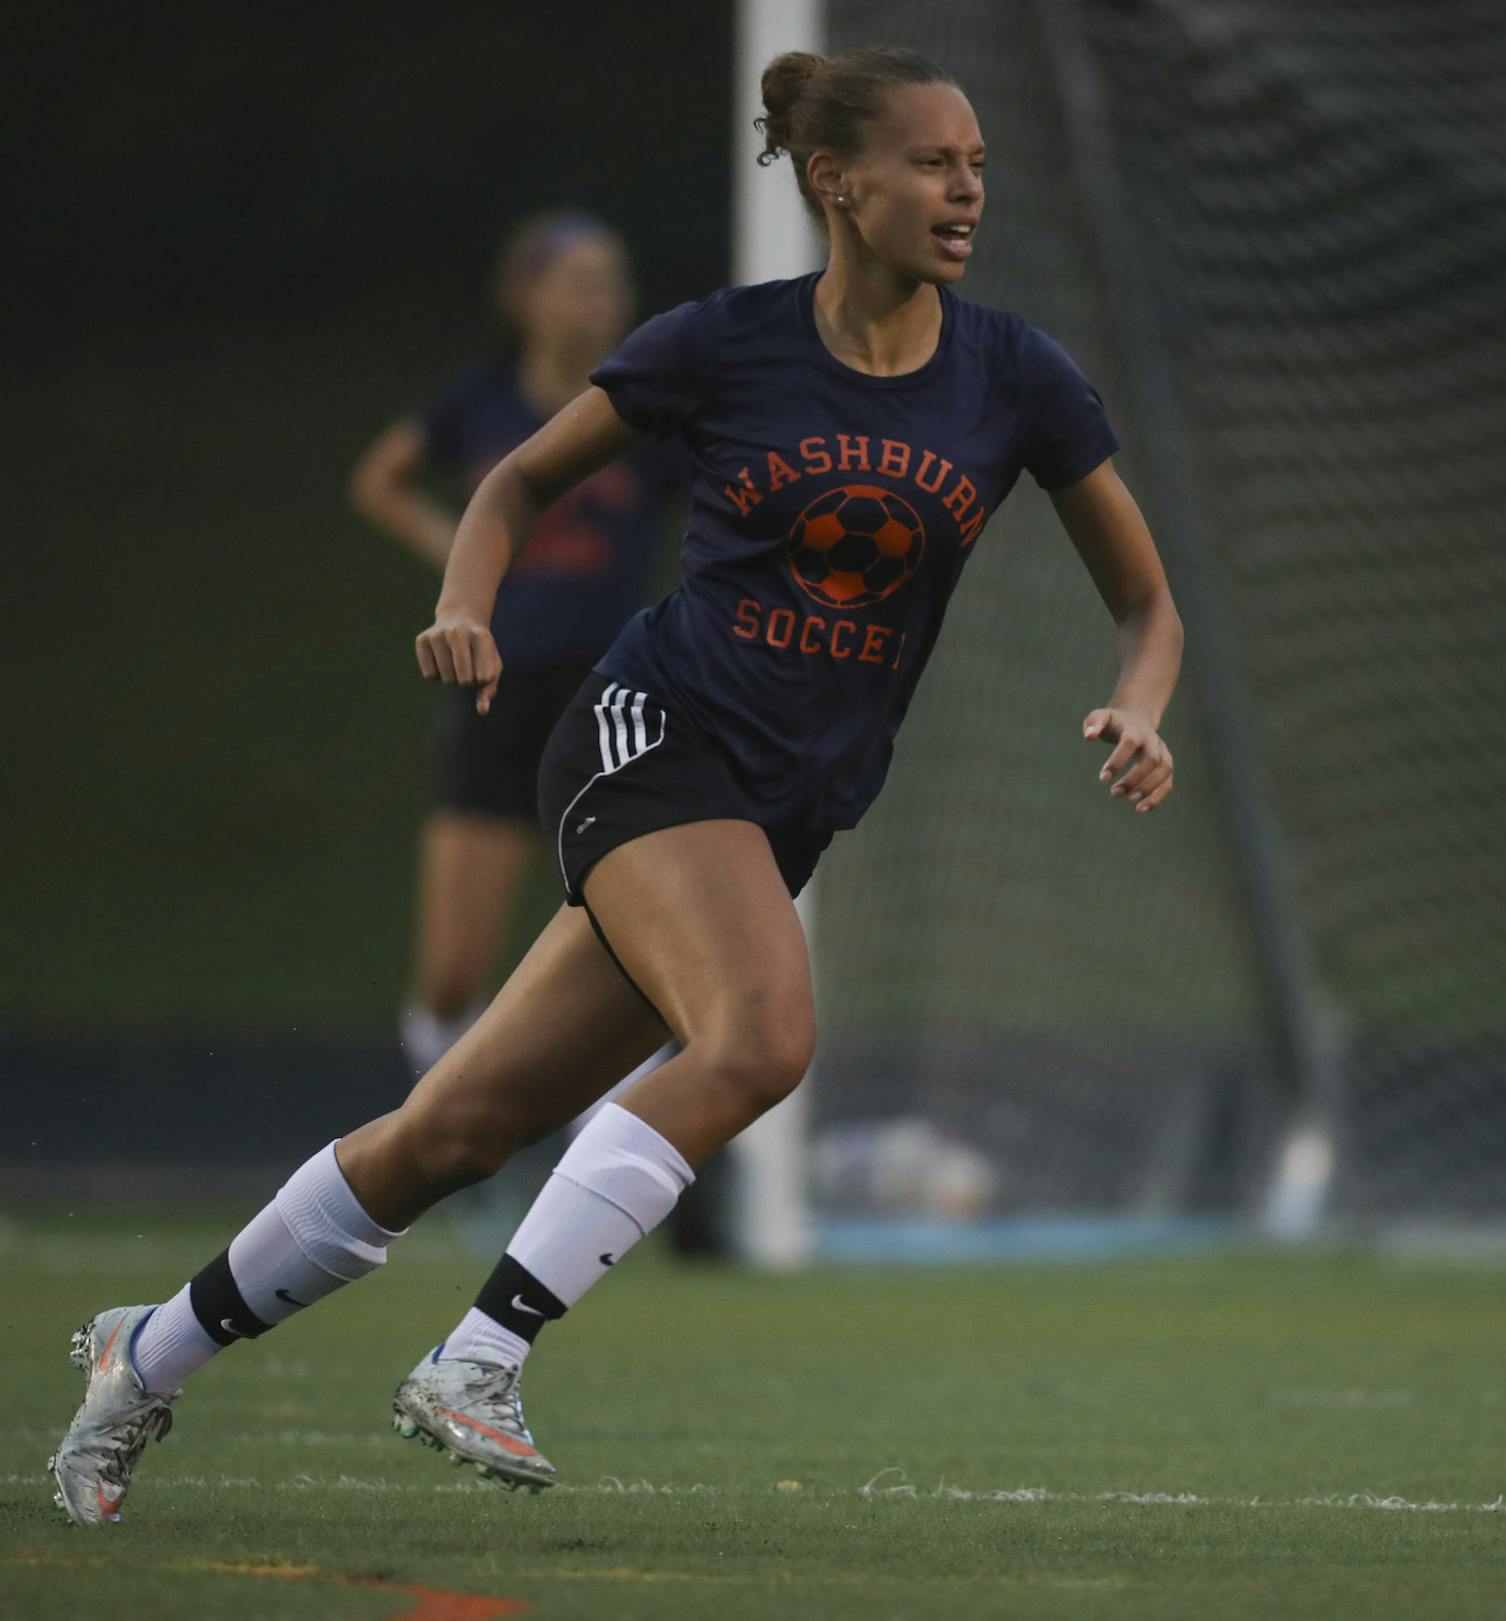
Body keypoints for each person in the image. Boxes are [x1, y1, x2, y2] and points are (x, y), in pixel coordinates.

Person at [50, 44, 1183, 1522]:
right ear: (838, 183)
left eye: (977, 163)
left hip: (783, 808)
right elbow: (515, 480)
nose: (967, 188)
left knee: (448, 1134)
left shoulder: (1017, 376)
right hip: (655, 732)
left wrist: (1140, 708)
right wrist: (468, 599)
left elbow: (1148, 605)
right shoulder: (723, 342)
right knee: (765, 1034)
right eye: (932, 161)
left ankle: (148, 1352)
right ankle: (480, 1357)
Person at [348, 210, 682, 1082]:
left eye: (613, 283)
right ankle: (440, 1138)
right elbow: (379, 479)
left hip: (605, 700)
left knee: (629, 955)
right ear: (523, 296)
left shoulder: (642, 407)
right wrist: (457, 560)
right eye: (579, 281)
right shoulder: (480, 401)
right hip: (496, 692)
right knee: (454, 972)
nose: (601, 300)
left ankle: (602, 1131)